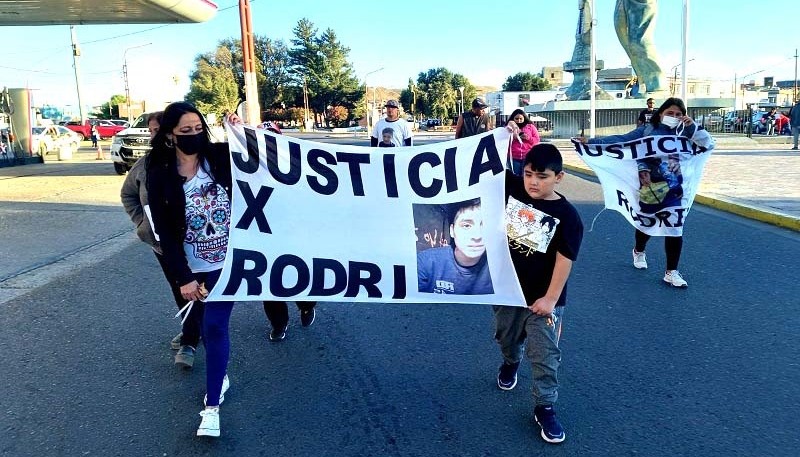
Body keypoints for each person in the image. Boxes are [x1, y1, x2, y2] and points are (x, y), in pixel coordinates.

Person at [144, 101, 240, 437]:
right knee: (204, 324)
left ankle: (211, 406)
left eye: (199, 129)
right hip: (192, 267)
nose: (194, 136)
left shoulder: (219, 157)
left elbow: (266, 156)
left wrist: (243, 130)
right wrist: (183, 277)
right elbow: (165, 233)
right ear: (171, 135)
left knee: (214, 327)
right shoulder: (158, 175)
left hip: (228, 263)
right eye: (186, 131)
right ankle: (220, 372)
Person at [493, 142, 584, 444]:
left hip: (543, 300)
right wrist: (502, 135)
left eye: (542, 176)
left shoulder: (568, 216)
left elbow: (565, 258)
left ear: (559, 177)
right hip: (507, 292)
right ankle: (510, 361)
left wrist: (551, 299)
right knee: (506, 337)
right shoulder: (514, 188)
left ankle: (545, 406)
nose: (533, 181)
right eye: (529, 174)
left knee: (545, 354)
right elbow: (482, 159)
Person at [581, 97, 715, 288]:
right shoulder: (647, 130)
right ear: (661, 113)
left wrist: (693, 127)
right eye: (670, 113)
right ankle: (639, 250)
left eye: (678, 114)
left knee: (675, 229)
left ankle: (671, 272)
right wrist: (592, 142)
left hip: (676, 190)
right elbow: (622, 140)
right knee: (646, 223)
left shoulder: (687, 132)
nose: (674, 117)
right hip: (650, 185)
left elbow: (708, 144)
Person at [121, 111, 206, 369]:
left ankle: (190, 339)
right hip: (164, 246)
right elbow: (128, 195)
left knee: (199, 291)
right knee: (181, 288)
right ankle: (191, 329)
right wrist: (143, 224)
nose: (156, 136)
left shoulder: (197, 161)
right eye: (152, 131)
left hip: (200, 244)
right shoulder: (147, 166)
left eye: (159, 130)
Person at [417, 198, 494, 295]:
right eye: (466, 226)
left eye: (486, 226)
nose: (477, 236)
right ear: (452, 231)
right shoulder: (426, 261)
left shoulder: (500, 268)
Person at [508, 109, 540, 176]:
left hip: (527, 157)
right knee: (514, 177)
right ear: (513, 118)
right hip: (513, 158)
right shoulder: (508, 127)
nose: (519, 120)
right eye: (516, 119)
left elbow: (537, 140)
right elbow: (504, 141)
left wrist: (528, 138)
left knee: (525, 177)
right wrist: (514, 137)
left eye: (520, 118)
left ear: (524, 118)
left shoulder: (531, 127)